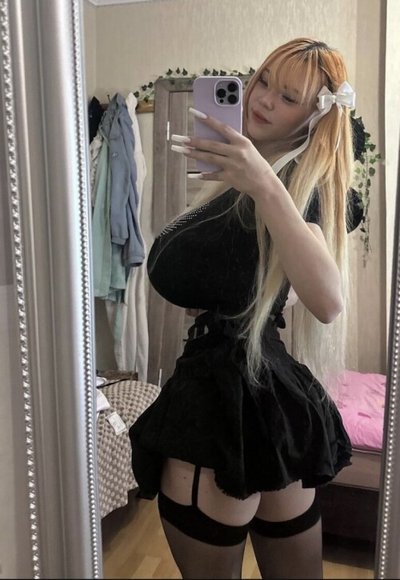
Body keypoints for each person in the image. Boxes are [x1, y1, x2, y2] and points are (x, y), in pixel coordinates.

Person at [129, 38, 363, 579]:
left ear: (315, 117)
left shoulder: (299, 186)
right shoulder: (244, 177)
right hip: (267, 404)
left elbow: (328, 302)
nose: (262, 99)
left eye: (288, 97)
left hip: (222, 404)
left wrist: (263, 183)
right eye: (263, 81)